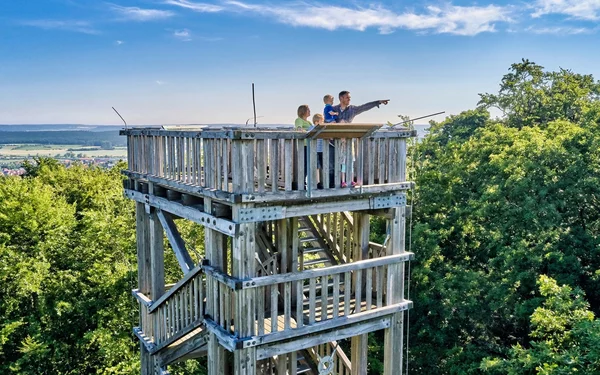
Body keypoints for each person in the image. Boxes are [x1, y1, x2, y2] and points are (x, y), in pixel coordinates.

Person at [311, 113, 325, 188]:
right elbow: (308, 133)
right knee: (316, 166)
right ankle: (317, 182)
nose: (322, 123)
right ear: (316, 122)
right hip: (315, 150)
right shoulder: (312, 128)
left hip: (322, 150)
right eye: (321, 121)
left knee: (323, 166)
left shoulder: (322, 129)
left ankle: (322, 182)